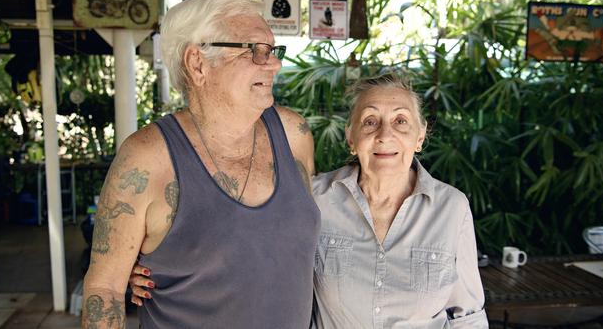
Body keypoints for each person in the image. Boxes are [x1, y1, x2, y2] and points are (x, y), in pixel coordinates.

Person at [130, 73, 488, 328]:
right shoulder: (314, 197)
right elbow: (247, 246)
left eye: (400, 121)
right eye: (370, 122)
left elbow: (468, 315)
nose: (385, 134)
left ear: (420, 137)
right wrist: (159, 266)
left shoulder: (451, 208)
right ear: (351, 138)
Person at [81, 0, 320, 329]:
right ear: (197, 63)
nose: (275, 63)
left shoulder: (294, 134)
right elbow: (104, 289)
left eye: (273, 50)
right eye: (255, 50)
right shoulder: (147, 158)